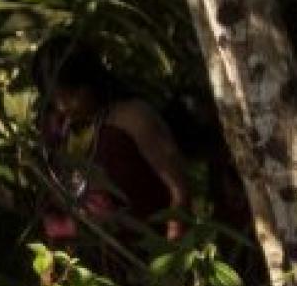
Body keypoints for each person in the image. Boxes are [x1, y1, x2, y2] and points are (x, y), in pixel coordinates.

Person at [37, 41, 192, 246]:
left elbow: (179, 190)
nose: (62, 106)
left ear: (91, 82)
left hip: (146, 250)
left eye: (71, 95)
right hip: (93, 259)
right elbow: (58, 200)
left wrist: (172, 251)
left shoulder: (132, 117)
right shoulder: (60, 129)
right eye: (55, 98)